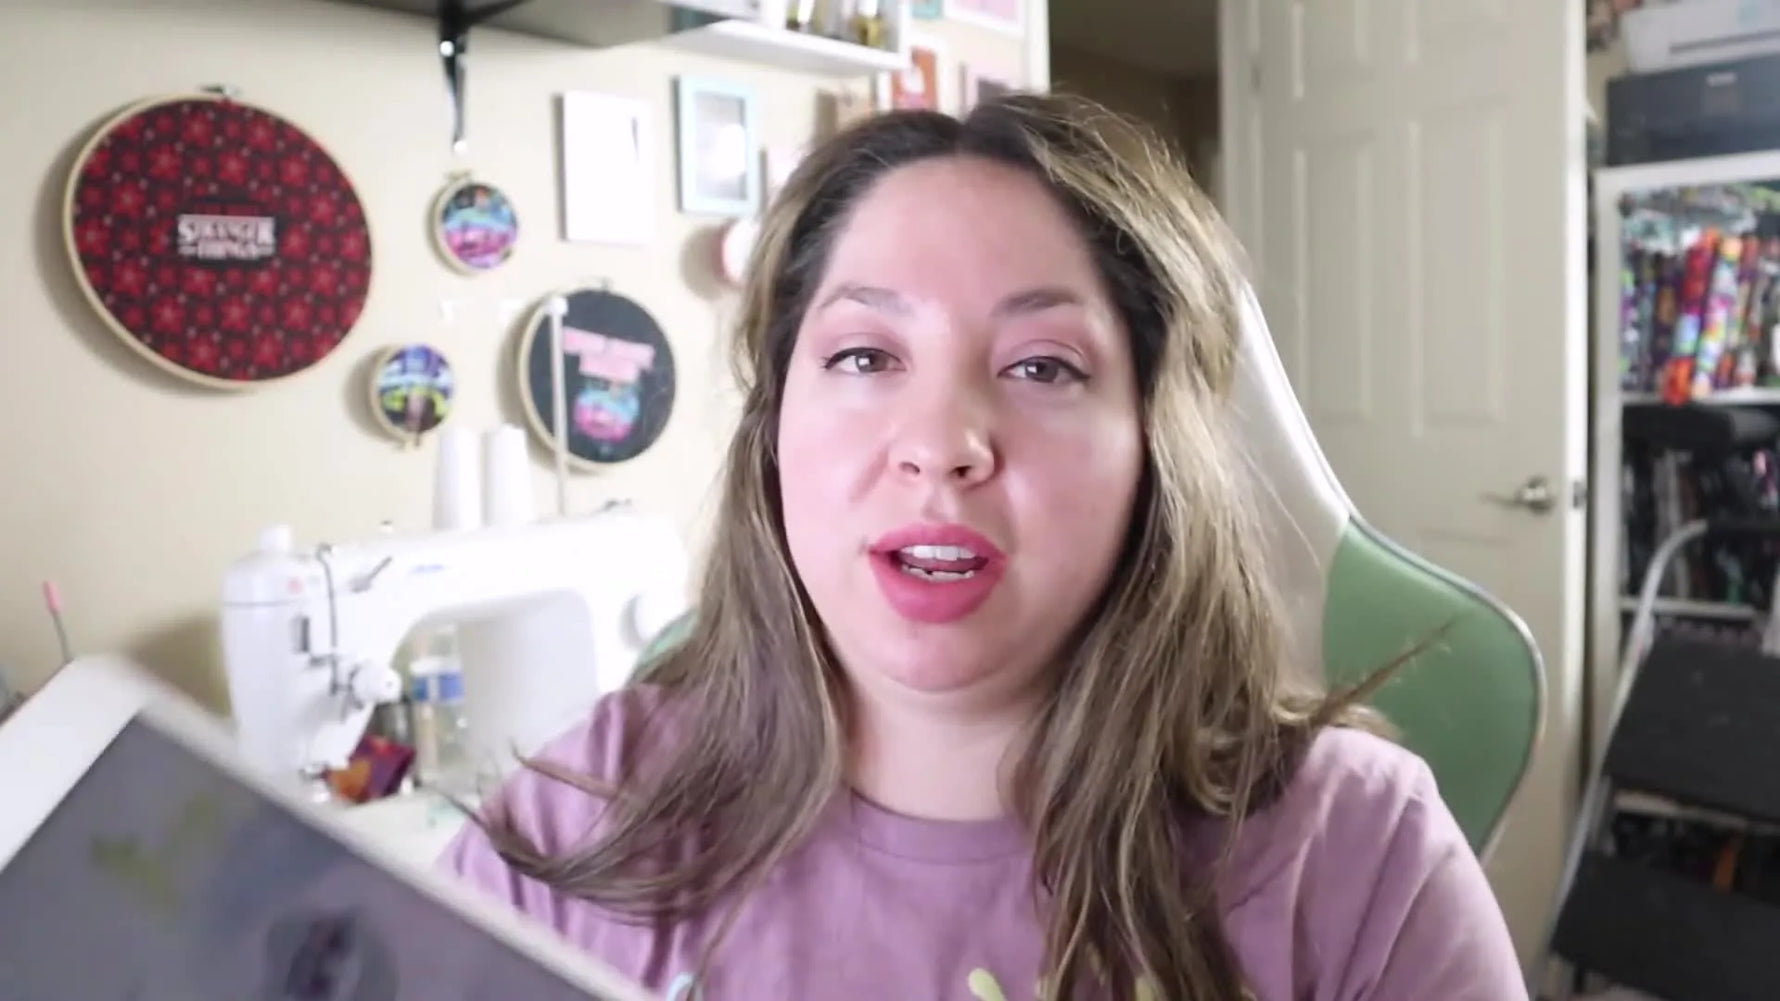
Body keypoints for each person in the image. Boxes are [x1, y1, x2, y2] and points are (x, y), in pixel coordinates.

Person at [439, 92, 1528, 1001]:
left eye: (1042, 366)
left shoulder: (1360, 853)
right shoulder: (584, 811)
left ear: (1155, 450)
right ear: (773, 426)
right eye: (866, 356)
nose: (940, 446)